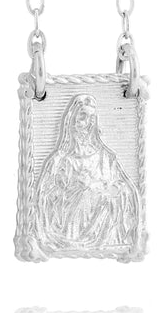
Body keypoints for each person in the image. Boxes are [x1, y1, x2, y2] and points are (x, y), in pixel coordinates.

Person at [35, 94, 139, 255]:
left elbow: (124, 188)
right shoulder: (59, 160)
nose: (88, 123)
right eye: (83, 116)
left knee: (103, 195)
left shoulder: (105, 157)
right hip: (69, 221)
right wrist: (72, 187)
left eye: (92, 118)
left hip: (101, 217)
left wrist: (101, 188)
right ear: (72, 120)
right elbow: (44, 197)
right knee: (84, 191)